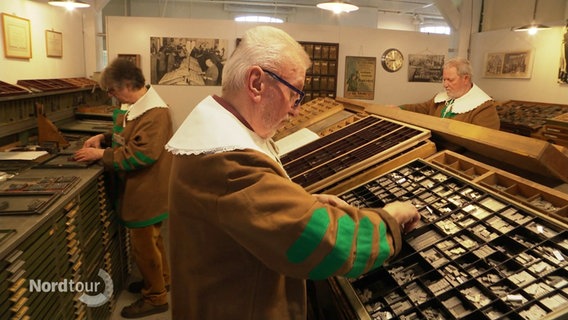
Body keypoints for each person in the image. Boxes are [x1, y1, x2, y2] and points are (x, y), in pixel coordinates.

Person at [165, 25, 420, 319]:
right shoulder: (229, 163)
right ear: (257, 83)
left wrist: (307, 203)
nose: (296, 110)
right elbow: (330, 245)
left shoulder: (219, 141)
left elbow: (255, 213)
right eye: (294, 94)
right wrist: (391, 218)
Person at [74, 58, 172, 318]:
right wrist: (104, 138)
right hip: (147, 191)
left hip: (146, 193)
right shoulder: (138, 107)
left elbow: (141, 155)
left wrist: (100, 155)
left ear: (127, 84)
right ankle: (161, 279)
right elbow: (129, 135)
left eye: (112, 90)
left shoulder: (156, 113)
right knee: (154, 240)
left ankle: (156, 297)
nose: (111, 96)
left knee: (144, 246)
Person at [394, 57, 500, 130]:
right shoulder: (442, 97)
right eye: (444, 79)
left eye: (450, 80)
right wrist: (399, 109)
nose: (445, 84)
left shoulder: (484, 108)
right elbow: (422, 108)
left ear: (466, 78)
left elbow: (484, 144)